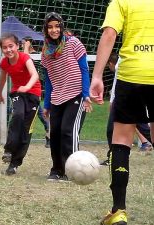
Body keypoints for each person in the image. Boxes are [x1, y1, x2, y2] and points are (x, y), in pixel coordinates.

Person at [90, 0, 154, 224]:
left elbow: (109, 34)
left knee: (121, 141)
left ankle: (118, 211)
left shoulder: (121, 1)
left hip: (132, 75)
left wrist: (97, 76)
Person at [41, 12, 92, 181]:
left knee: (67, 131)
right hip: (57, 96)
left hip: (75, 94)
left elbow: (84, 69)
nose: (54, 30)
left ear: (62, 27)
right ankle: (57, 170)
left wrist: (86, 95)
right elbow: (48, 80)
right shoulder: (46, 51)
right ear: (46, 29)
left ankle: (72, 170)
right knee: (54, 133)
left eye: (57, 26)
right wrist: (47, 104)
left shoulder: (73, 43)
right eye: (50, 27)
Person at [0, 33, 41, 175]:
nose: (8, 50)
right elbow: (2, 80)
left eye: (11, 46)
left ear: (17, 46)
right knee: (18, 115)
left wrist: (27, 87)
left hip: (33, 93)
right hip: (18, 93)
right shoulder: (4, 63)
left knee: (26, 130)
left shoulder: (25, 58)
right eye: (4, 48)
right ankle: (8, 150)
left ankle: (15, 164)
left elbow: (35, 75)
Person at [101, 53, 152, 166]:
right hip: (121, 98)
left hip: (130, 97)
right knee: (111, 130)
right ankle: (113, 158)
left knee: (143, 126)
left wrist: (112, 100)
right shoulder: (123, 60)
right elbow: (116, 83)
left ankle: (146, 143)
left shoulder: (125, 62)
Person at [22, 36, 50, 148]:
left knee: (39, 112)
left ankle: (49, 134)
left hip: (35, 88)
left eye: (23, 43)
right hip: (25, 89)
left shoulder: (36, 56)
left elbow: (26, 61)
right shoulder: (24, 55)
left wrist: (26, 47)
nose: (21, 45)